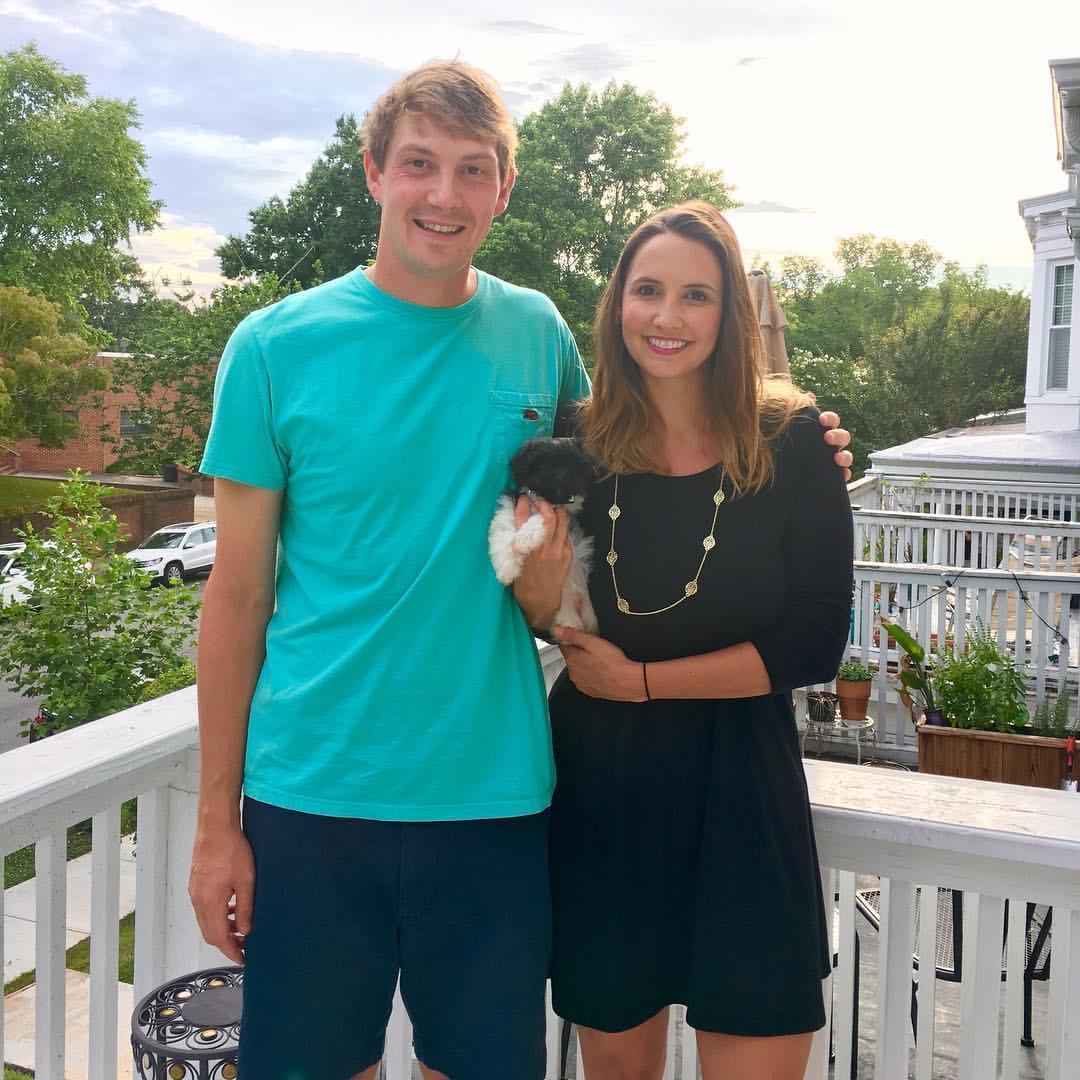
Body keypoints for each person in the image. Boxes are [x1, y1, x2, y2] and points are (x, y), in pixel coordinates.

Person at [187, 61, 852, 1079]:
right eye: (419, 165)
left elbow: (642, 447)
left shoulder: (538, 335)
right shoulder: (273, 348)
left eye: (471, 171)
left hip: (496, 799)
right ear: (374, 172)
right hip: (313, 794)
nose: (442, 196)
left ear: (503, 190)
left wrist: (801, 448)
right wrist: (215, 825)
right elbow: (233, 600)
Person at [545, 202, 855, 1080]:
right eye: (647, 290)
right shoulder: (574, 441)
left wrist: (641, 683)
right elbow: (538, 603)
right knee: (615, 1065)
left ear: (730, 317)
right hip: (602, 791)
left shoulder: (793, 442)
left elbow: (815, 639)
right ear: (617, 306)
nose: (667, 318)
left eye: (696, 295)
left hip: (743, 791)